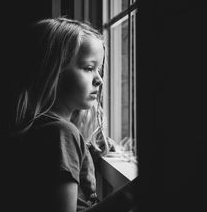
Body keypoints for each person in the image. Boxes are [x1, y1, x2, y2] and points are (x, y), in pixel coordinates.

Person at [8, 17, 139, 212]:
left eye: (99, 69)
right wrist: (131, 193)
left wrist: (87, 150)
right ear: (52, 70)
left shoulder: (41, 129)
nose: (100, 80)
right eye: (88, 68)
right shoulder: (62, 134)